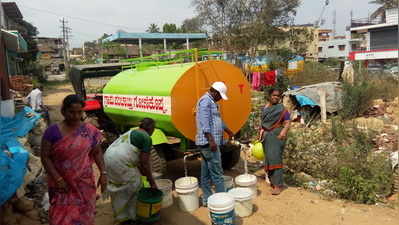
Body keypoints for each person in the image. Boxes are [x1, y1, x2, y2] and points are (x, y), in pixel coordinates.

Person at [41, 94, 106, 225]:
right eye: (71, 112)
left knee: (84, 215)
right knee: (60, 217)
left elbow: (97, 152)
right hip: (61, 184)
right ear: (63, 111)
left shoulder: (90, 131)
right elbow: (45, 156)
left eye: (79, 112)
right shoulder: (52, 132)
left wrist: (103, 173)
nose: (76, 116)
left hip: (84, 183)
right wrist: (58, 179)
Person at [104, 118, 158, 225]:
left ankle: (122, 216)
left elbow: (133, 155)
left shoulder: (133, 131)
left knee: (118, 186)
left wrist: (143, 171)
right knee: (135, 186)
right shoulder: (146, 138)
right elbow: (145, 163)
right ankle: (131, 217)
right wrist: (152, 182)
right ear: (151, 129)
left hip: (108, 157)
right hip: (120, 162)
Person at [195, 82, 234, 206]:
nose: (221, 98)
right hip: (208, 143)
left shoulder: (212, 102)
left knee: (206, 173)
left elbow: (218, 120)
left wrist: (228, 131)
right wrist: (211, 141)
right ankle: (223, 202)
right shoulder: (205, 101)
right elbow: (204, 122)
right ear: (214, 92)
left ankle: (207, 199)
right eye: (220, 95)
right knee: (217, 173)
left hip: (209, 142)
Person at [259, 88, 291, 195]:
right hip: (267, 136)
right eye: (274, 95)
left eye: (278, 96)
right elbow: (263, 122)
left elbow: (287, 122)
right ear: (269, 96)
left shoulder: (282, 109)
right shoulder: (265, 107)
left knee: (275, 160)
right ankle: (272, 182)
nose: (275, 97)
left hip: (276, 136)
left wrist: (283, 132)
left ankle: (278, 186)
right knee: (269, 159)